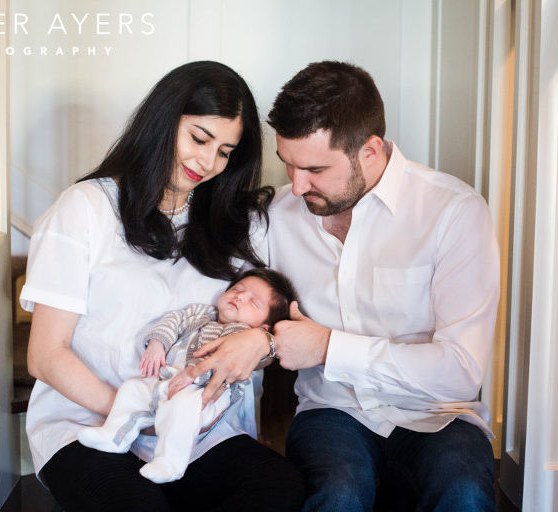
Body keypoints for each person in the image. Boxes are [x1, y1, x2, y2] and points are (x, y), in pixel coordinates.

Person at [182, 61, 500, 511]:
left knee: (464, 497)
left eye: (314, 169)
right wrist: (259, 336)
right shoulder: (279, 216)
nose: (296, 184)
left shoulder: (453, 212)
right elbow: (220, 292)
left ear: (370, 151)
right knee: (338, 498)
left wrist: (329, 348)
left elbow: (460, 369)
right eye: (287, 165)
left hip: (440, 416)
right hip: (331, 412)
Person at [20, 60, 304, 512]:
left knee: (280, 488)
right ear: (163, 119)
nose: (208, 163)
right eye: (199, 138)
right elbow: (45, 355)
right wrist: (137, 415)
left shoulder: (240, 223)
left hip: (199, 434)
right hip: (89, 424)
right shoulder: (85, 210)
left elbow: (274, 320)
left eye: (226, 151)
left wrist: (261, 342)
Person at [77, 268, 297, 484]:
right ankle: (115, 436)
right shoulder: (201, 314)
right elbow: (174, 320)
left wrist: (194, 377)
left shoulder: (242, 336)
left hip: (206, 393)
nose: (240, 296)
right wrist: (157, 343)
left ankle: (170, 462)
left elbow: (244, 363)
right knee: (132, 390)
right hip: (168, 380)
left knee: (183, 406)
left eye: (253, 302)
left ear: (264, 326)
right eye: (238, 289)